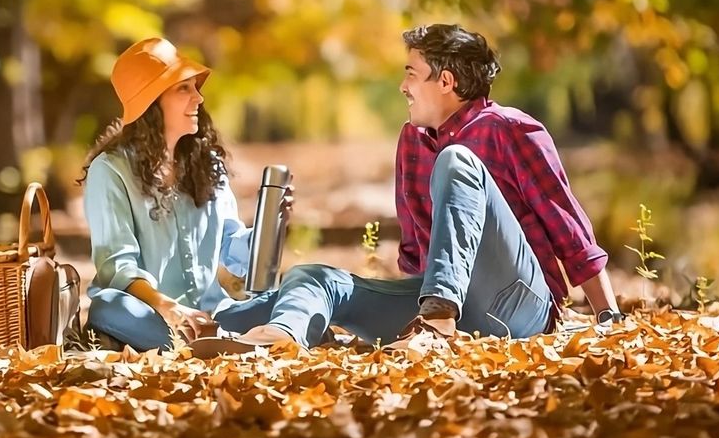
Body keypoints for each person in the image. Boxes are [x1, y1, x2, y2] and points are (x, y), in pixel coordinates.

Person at [193, 24, 619, 355]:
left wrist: (607, 315)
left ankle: (438, 321)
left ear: (447, 81)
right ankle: (276, 338)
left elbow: (572, 233)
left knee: (457, 161)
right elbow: (418, 254)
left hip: (517, 305)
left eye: (411, 74)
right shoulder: (414, 140)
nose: (402, 87)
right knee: (315, 277)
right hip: (438, 298)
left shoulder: (510, 129)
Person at [80, 37, 287, 351]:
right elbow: (117, 267)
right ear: (152, 103)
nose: (199, 99)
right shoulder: (110, 172)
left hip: (213, 316)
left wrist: (273, 226)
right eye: (183, 89)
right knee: (107, 306)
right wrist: (168, 307)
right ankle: (231, 345)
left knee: (304, 285)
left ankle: (218, 343)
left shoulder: (207, 164)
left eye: (196, 87)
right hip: (150, 314)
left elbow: (231, 247)